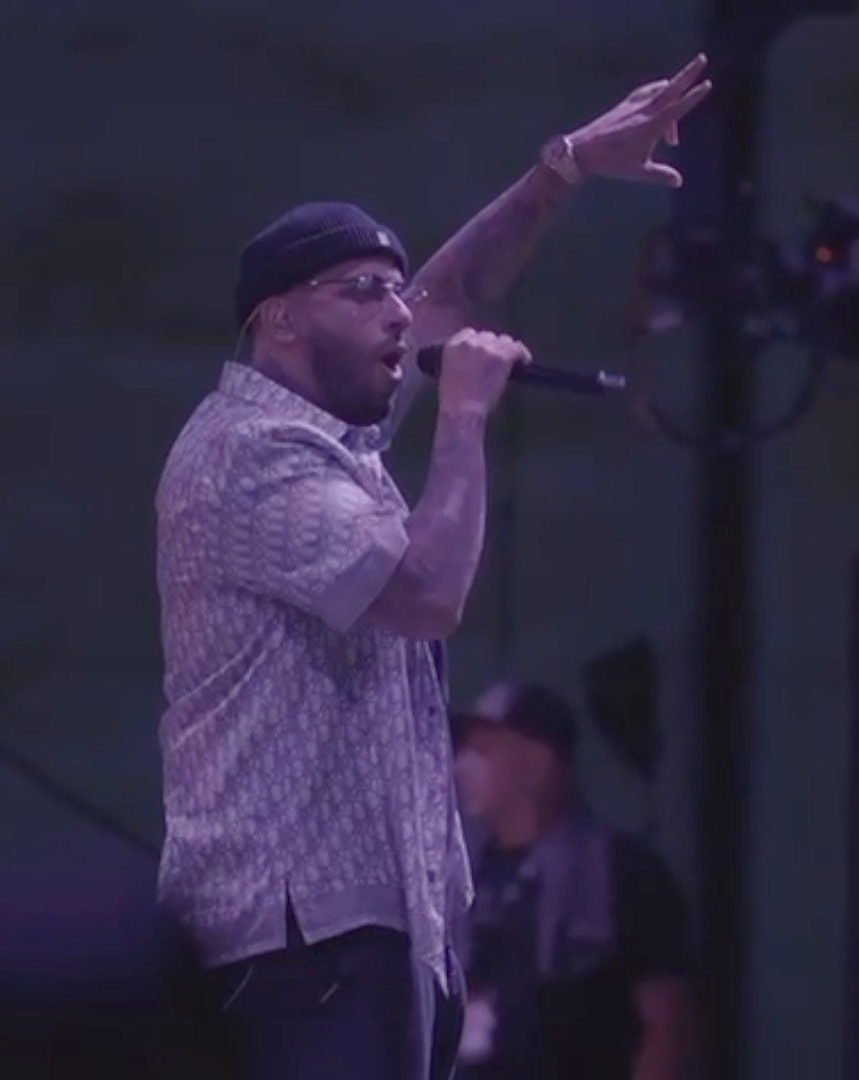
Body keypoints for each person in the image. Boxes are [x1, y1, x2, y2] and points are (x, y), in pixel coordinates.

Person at [152, 56, 713, 1080]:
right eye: (363, 291)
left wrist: (566, 165)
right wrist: (461, 417)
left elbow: (451, 293)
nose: (398, 313)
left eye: (391, 290)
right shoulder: (248, 454)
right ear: (279, 319)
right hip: (295, 935)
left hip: (381, 930)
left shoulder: (332, 442)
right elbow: (427, 594)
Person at [451, 681, 698, 1080]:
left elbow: (666, 1024)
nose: (463, 766)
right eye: (464, 750)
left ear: (538, 761)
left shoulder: (623, 870)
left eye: (484, 750)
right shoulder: (456, 877)